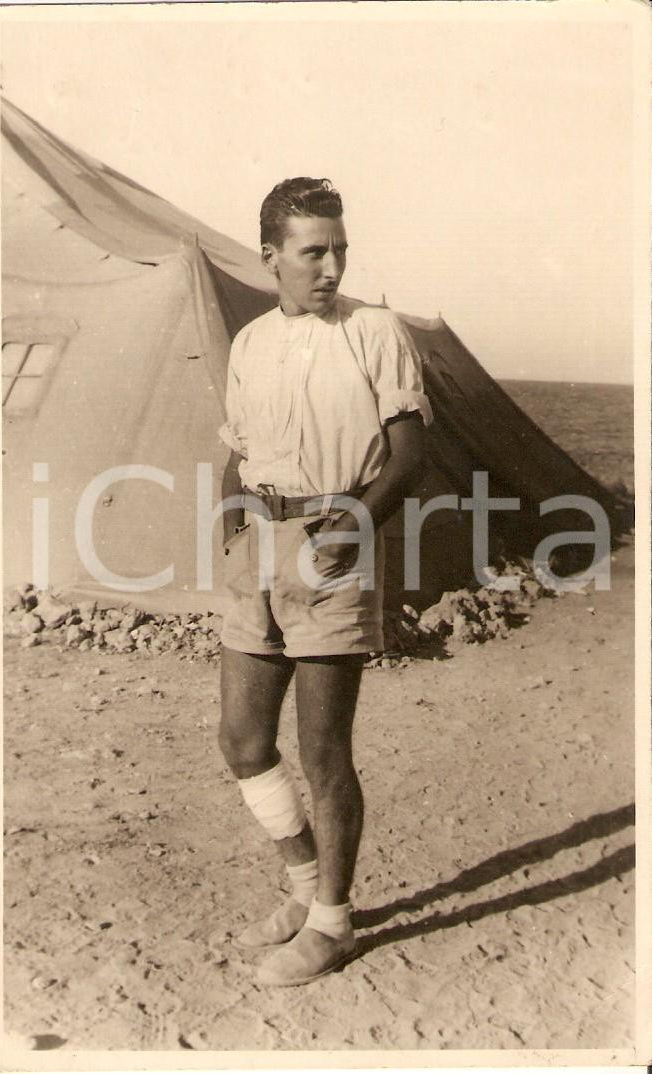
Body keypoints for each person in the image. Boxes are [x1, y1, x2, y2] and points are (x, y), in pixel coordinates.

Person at [216, 177, 432, 987]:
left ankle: (333, 924)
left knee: (322, 750)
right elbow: (237, 448)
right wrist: (230, 525)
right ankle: (304, 886)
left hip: (336, 543)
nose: (332, 265)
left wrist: (353, 527)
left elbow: (408, 456)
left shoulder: (376, 332)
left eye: (339, 248)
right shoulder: (249, 343)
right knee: (241, 740)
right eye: (314, 252)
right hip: (259, 550)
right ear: (271, 257)